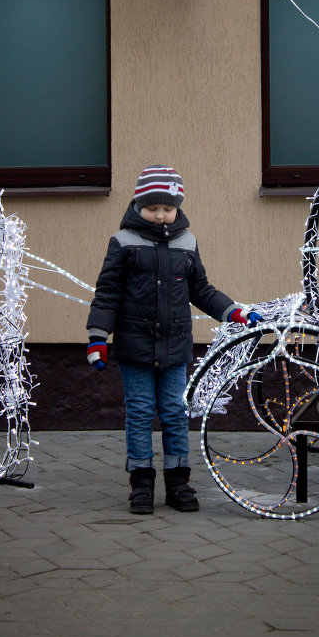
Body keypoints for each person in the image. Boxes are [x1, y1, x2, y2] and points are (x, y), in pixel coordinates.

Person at [86, 165, 261, 514]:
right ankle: (141, 482)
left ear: (178, 207)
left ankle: (178, 481)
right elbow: (107, 294)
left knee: (175, 412)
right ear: (138, 205)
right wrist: (97, 337)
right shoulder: (123, 242)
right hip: (135, 347)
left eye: (168, 208)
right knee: (139, 412)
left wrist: (234, 312)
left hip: (175, 347)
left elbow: (202, 290)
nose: (161, 215)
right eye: (153, 208)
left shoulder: (187, 242)